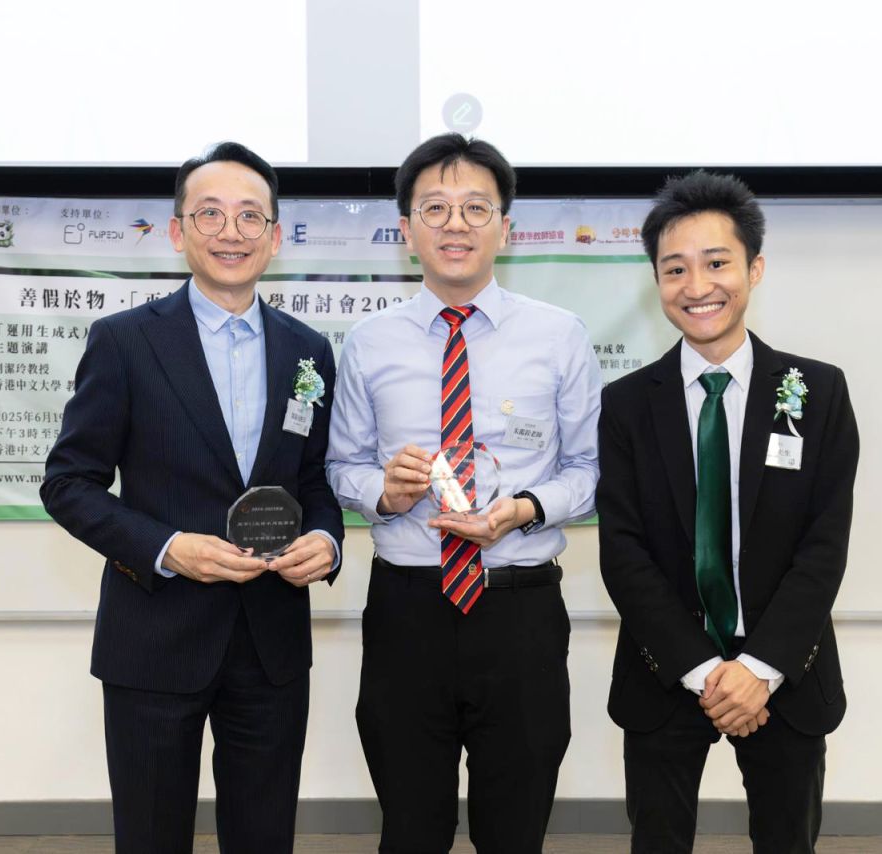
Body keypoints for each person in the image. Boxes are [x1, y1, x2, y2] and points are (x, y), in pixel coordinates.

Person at [40, 141, 343, 854]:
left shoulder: (308, 351)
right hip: (154, 637)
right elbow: (69, 482)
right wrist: (168, 548)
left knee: (264, 837)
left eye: (249, 216)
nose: (231, 232)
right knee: (151, 837)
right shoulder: (124, 343)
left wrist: (326, 542)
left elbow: (314, 480)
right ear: (179, 232)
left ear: (275, 236)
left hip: (270, 642)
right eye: (210, 214)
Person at [326, 133, 601, 854]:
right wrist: (385, 493)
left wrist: (525, 510)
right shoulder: (368, 342)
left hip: (520, 608)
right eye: (436, 208)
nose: (456, 224)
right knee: (411, 828)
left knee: (514, 831)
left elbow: (588, 469)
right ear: (406, 228)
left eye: (476, 208)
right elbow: (342, 465)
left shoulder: (559, 336)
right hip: (408, 609)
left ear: (504, 227)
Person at [597, 170, 859, 853]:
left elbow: (823, 547)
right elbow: (623, 552)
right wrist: (704, 671)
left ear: (754, 269)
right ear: (656, 280)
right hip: (666, 667)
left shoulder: (817, 392)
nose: (697, 286)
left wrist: (758, 668)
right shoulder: (626, 405)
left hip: (784, 671)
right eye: (675, 269)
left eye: (717, 263)